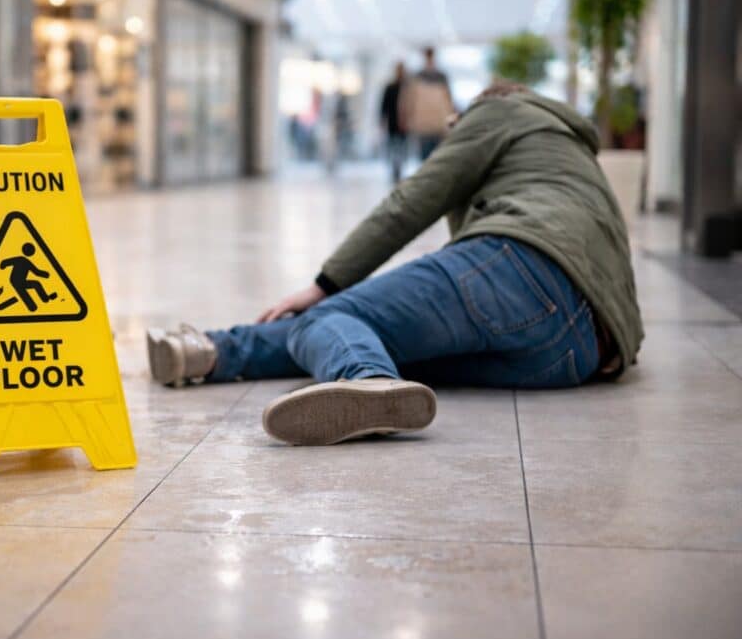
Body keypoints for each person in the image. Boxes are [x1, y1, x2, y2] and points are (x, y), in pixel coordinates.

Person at [146, 82, 643, 447]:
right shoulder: (569, 151)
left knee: (329, 318)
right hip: (576, 357)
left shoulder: (500, 112)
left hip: (523, 267)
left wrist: (324, 285)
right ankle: (209, 352)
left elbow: (410, 203)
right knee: (372, 338)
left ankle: (363, 380)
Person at [405, 47, 454, 161]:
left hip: (434, 122)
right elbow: (410, 100)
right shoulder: (419, 76)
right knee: (429, 154)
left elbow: (448, 100)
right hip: (426, 122)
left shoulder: (439, 76)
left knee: (432, 154)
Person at [379, 62, 408, 183]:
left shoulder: (407, 88)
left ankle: (399, 168)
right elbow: (383, 106)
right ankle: (394, 168)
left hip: (405, 125)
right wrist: (382, 121)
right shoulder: (390, 87)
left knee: (402, 147)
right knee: (392, 146)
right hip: (392, 123)